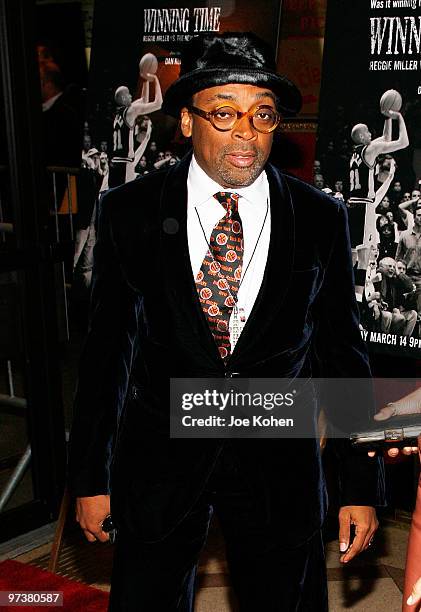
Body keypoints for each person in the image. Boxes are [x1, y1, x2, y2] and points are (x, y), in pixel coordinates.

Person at [68, 33, 383, 611]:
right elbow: (107, 354)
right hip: (159, 460)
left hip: (275, 461)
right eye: (224, 113)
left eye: (262, 114)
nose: (246, 131)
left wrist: (359, 484)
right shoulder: (129, 211)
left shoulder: (318, 218)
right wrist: (92, 476)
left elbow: (342, 355)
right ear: (187, 122)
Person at [108, 72, 162, 188]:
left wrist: (146, 80)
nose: (131, 96)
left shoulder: (120, 113)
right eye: (128, 94)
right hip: (125, 164)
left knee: (113, 199)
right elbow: (158, 103)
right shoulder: (131, 111)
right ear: (123, 97)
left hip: (115, 163)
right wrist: (155, 79)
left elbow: (144, 100)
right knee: (123, 200)